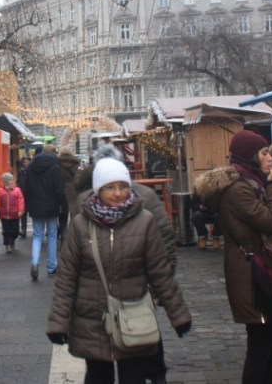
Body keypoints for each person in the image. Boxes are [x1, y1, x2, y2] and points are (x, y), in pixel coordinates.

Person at [47, 158, 192, 384]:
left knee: (133, 377)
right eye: (110, 187)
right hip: (92, 318)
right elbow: (67, 277)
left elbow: (160, 273)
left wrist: (179, 316)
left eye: (123, 186)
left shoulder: (144, 221)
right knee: (98, 378)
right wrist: (58, 323)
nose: (118, 193)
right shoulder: (80, 225)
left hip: (132, 315)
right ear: (98, 190)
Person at [194, 130, 272, 384]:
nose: (270, 158)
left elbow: (257, 220)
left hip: (257, 265)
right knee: (260, 346)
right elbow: (268, 221)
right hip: (252, 271)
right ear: (249, 155)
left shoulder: (249, 182)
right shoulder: (239, 188)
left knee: (267, 344)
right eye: (264, 153)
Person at [73, 144, 177, 383]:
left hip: (122, 290)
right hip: (112, 292)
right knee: (135, 342)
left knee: (128, 348)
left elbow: (164, 239)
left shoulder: (141, 196)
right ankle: (156, 374)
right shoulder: (86, 201)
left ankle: (155, 373)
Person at [23, 143, 68, 281]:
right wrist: (62, 206)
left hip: (35, 205)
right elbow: (59, 189)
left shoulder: (31, 166)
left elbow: (25, 186)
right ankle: (51, 266)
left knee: (37, 235)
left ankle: (35, 262)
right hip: (52, 205)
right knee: (52, 236)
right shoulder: (56, 167)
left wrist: (28, 203)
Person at [56, 146, 81, 241]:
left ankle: (63, 231)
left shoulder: (57, 163)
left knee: (63, 212)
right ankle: (72, 232)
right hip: (74, 188)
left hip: (62, 188)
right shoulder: (76, 163)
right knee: (73, 211)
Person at [0, 172, 25, 253]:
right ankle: (8, 244)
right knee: (6, 231)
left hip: (15, 215)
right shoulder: (0, 191)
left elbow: (21, 200)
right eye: (10, 180)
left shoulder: (17, 190)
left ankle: (12, 240)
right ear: (5, 181)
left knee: (15, 231)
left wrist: (20, 210)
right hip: (4, 215)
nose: (12, 181)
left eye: (13, 179)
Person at [17, 156, 31, 238]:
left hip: (31, 195)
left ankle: (37, 230)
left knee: (34, 214)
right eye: (24, 162)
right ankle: (23, 230)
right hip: (23, 195)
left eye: (27, 162)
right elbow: (18, 182)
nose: (26, 163)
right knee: (23, 213)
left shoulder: (32, 171)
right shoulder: (20, 171)